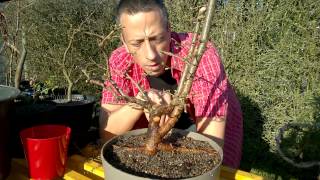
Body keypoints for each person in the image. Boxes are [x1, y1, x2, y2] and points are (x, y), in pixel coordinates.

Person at [100, 0, 243, 169]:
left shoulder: (199, 55)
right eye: (137, 43)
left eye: (157, 39)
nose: (151, 55)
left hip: (202, 128)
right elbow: (107, 134)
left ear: (168, 29)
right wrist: (138, 103)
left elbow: (211, 147)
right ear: (123, 40)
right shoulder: (119, 61)